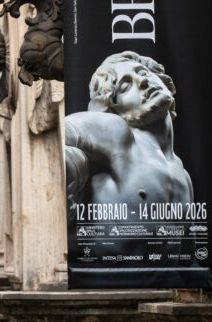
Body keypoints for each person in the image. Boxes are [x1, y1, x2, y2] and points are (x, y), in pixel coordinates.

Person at [64, 51, 192, 207]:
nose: (143, 80)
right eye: (125, 86)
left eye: (143, 72)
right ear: (113, 111)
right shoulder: (117, 132)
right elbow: (60, 135)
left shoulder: (184, 176)